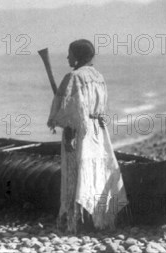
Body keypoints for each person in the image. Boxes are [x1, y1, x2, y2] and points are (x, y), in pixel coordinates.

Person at [47, 39, 128, 233]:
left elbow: (70, 112)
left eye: (70, 53)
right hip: (98, 131)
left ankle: (74, 223)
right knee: (96, 173)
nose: (67, 57)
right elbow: (98, 107)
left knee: (75, 174)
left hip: (79, 132)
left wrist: (67, 131)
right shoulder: (98, 76)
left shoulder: (73, 76)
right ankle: (99, 220)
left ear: (78, 56)